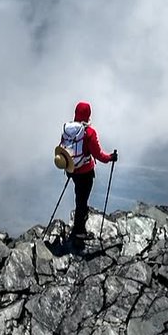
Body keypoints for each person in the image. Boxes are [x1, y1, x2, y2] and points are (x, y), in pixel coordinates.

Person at [59, 100, 117, 245]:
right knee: (82, 200)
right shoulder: (89, 132)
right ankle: (79, 231)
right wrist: (111, 158)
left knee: (79, 195)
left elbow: (63, 148)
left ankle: (80, 220)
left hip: (71, 169)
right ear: (88, 114)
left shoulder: (68, 130)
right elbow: (98, 155)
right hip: (85, 172)